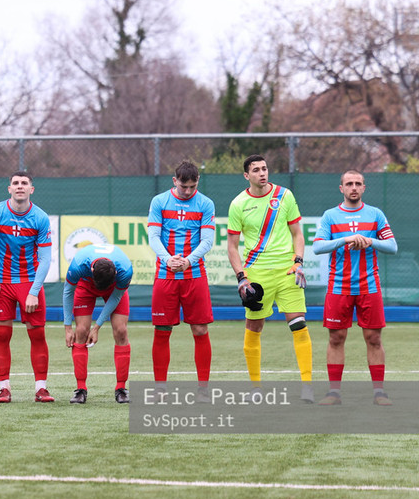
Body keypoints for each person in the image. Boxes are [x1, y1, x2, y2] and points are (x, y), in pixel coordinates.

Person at [226, 154, 314, 402]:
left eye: (264, 168)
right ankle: (256, 389)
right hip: (257, 274)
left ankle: (307, 387)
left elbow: (298, 234)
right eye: (256, 170)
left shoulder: (285, 196)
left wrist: (298, 262)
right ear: (247, 175)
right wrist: (242, 278)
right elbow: (232, 247)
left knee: (299, 324)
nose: (262, 173)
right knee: (254, 328)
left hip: (288, 272)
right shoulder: (238, 204)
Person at [312, 170, 397, 406]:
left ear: (364, 188)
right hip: (339, 287)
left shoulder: (375, 214)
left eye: (358, 183)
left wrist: (370, 241)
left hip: (369, 286)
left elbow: (392, 246)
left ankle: (379, 393)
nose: (354, 187)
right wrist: (346, 239)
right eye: (349, 183)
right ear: (341, 188)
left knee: (374, 338)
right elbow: (317, 247)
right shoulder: (330, 216)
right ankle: (334, 393)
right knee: (336, 338)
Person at [0, 171, 54, 403]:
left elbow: (45, 258)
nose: (20, 186)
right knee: (2, 334)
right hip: (1, 283)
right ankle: (4, 388)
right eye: (16, 183)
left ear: (31, 189)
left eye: (24, 183)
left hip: (29, 283)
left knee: (37, 334)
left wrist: (33, 292)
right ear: (9, 188)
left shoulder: (40, 218)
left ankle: (41, 389)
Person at [147, 161, 215, 402]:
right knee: (162, 330)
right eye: (183, 186)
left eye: (192, 187)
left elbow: (207, 240)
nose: (187, 191)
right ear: (174, 181)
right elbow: (153, 236)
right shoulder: (159, 201)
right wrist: (168, 259)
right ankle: (160, 389)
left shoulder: (206, 203)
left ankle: (203, 390)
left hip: (194, 275)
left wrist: (188, 261)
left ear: (198, 182)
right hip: (165, 275)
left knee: (200, 329)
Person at [62, 244, 134, 404]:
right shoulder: (79, 264)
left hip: (114, 289)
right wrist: (67, 327)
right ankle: (80, 389)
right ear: (92, 270)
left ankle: (121, 388)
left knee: (121, 331)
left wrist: (97, 327)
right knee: (81, 331)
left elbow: (116, 297)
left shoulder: (125, 270)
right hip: (86, 285)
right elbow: (68, 291)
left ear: (116, 273)